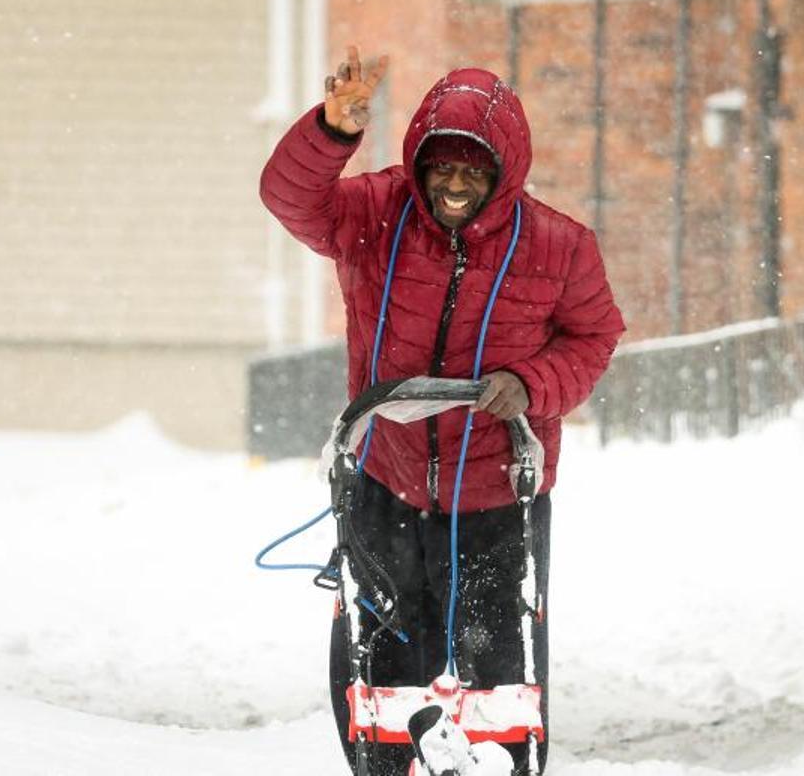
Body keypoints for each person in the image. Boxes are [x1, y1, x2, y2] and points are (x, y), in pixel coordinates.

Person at [259, 46, 625, 774]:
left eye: (474, 170)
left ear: (504, 172)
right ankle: (385, 763)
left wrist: (528, 381)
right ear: (419, 163)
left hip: (497, 492)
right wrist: (332, 132)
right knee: (386, 651)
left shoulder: (559, 247)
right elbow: (291, 199)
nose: (454, 186)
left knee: (495, 663)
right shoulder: (374, 215)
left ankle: (498, 762)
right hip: (386, 480)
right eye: (442, 167)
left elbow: (594, 337)